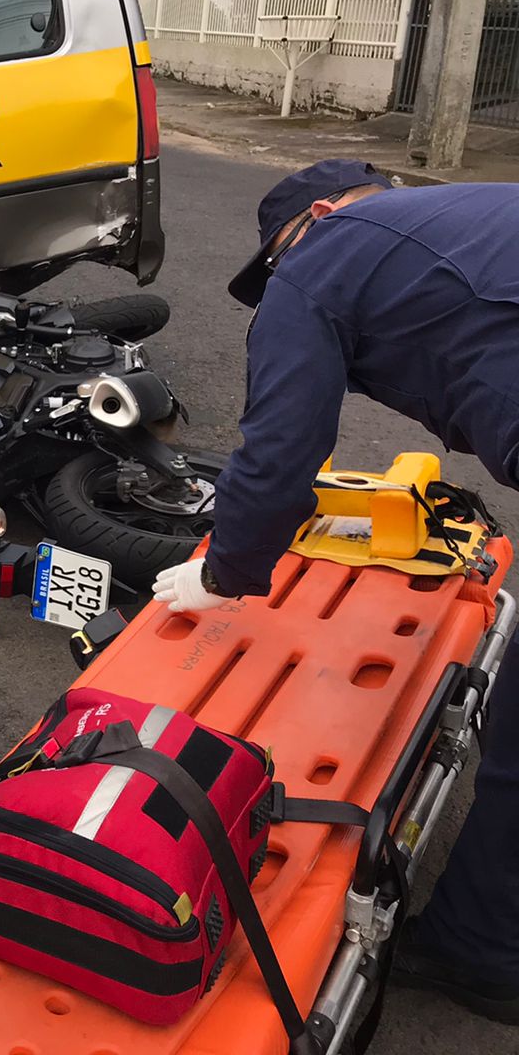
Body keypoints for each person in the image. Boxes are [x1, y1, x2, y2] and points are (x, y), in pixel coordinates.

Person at [150, 160, 519, 1025]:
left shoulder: (322, 254)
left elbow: (281, 449)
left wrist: (224, 571)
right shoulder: (467, 218)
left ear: (318, 212)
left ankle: (479, 954)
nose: (278, 278)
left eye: (275, 259)